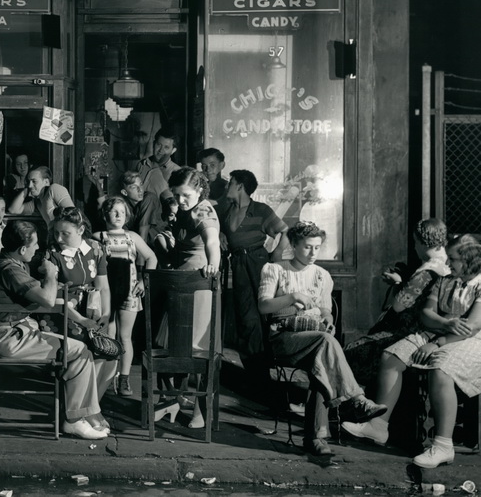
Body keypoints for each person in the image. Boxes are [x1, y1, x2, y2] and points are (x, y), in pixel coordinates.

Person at [341, 234, 481, 469]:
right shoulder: (446, 280)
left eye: (453, 259)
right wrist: (445, 323)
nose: (448, 263)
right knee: (391, 356)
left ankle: (443, 446)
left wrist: (438, 343)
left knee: (441, 369)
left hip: (478, 340)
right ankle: (378, 426)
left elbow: (473, 327)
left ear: (471, 260)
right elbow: (426, 314)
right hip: (439, 331)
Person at [257, 221, 387, 457]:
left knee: (322, 360)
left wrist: (327, 320)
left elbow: (325, 310)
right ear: (293, 245)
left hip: (314, 339)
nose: (313, 253)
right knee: (326, 345)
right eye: (307, 247)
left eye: (317, 247)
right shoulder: (275, 269)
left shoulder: (322, 275)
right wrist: (292, 297)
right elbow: (264, 306)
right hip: (284, 338)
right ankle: (357, 401)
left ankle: (316, 438)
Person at [0, 220, 109, 440]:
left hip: (17, 333)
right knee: (80, 352)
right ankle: (74, 420)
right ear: (22, 249)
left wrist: (80, 319)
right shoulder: (10, 269)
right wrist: (51, 274)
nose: (37, 249)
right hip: (10, 339)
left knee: (77, 350)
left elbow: (44, 297)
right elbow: (48, 299)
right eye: (34, 245)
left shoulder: (9, 261)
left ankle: (80, 414)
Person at [344, 218, 450, 387]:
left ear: (422, 242)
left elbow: (398, 306)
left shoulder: (426, 272)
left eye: (415, 242)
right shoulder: (449, 264)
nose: (414, 247)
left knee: (350, 351)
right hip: (437, 331)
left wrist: (398, 283)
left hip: (412, 333)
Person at [154, 167, 221, 429]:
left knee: (198, 350)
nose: (181, 200)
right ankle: (171, 399)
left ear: (200, 190)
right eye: (177, 195)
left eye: (186, 195)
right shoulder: (183, 210)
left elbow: (212, 241)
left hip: (198, 284)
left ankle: (201, 410)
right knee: (169, 345)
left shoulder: (204, 210)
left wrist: (213, 265)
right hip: (178, 284)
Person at [48, 206, 117, 430]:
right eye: (56, 232)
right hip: (63, 314)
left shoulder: (95, 249)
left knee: (110, 352)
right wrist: (83, 321)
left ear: (80, 230)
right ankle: (86, 412)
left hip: (91, 310)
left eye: (65, 233)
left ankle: (92, 408)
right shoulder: (52, 254)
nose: (59, 238)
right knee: (90, 348)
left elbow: (103, 286)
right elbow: (54, 298)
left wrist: (106, 314)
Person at [220, 169, 289, 376]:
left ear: (240, 186)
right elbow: (220, 230)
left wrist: (277, 252)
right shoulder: (227, 210)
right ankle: (256, 372)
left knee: (264, 314)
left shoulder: (260, 210)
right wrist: (221, 233)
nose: (227, 186)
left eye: (230, 183)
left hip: (258, 261)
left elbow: (286, 231)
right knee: (246, 316)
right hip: (238, 265)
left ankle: (265, 369)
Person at [93, 197, 158, 397]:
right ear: (105, 215)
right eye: (114, 211)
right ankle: (107, 378)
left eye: (122, 212)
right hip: (106, 293)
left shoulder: (132, 237)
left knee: (125, 336)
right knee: (107, 335)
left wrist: (143, 281)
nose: (119, 215)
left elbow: (151, 257)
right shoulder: (98, 237)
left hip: (129, 292)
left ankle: (124, 378)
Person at [8, 166, 75, 225]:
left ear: (46, 182)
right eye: (28, 182)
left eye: (34, 181)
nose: (30, 185)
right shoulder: (37, 202)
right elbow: (13, 210)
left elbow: (73, 215)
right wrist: (25, 190)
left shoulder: (54, 189)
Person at [137, 128, 181, 201]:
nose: (160, 150)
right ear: (154, 144)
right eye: (158, 144)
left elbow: (175, 202)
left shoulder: (178, 172)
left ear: (173, 150)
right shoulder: (142, 164)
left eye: (166, 147)